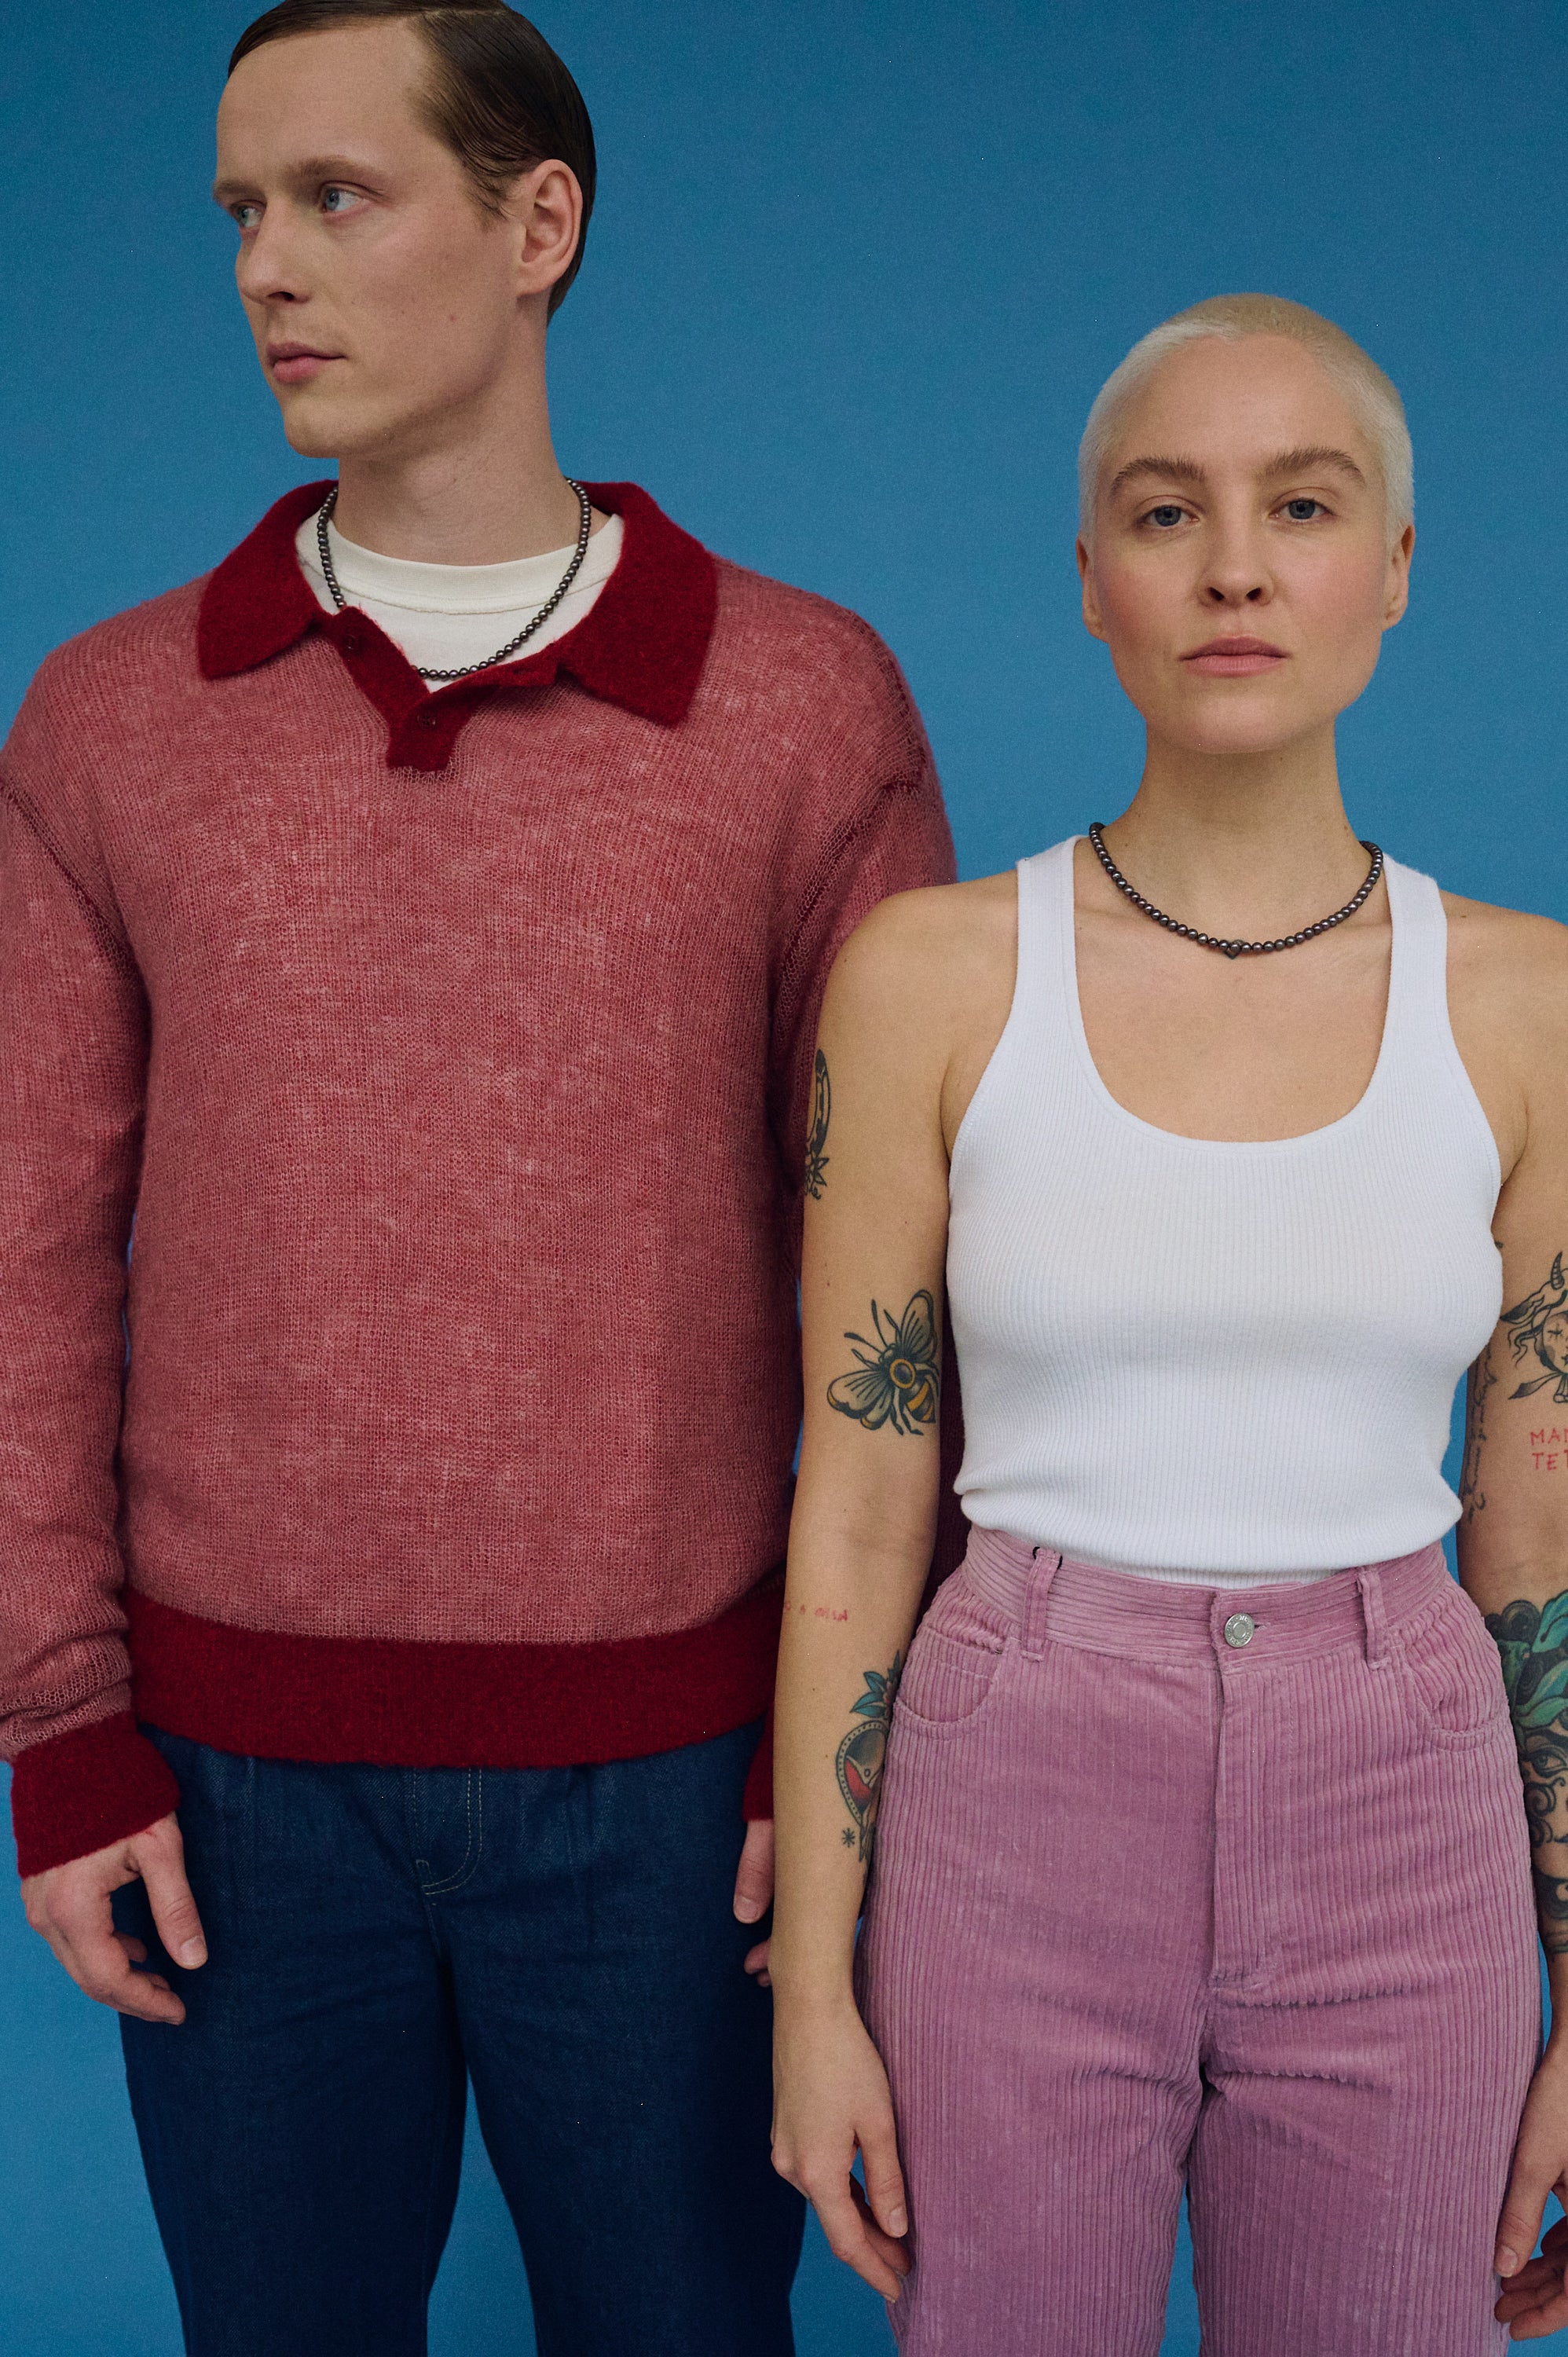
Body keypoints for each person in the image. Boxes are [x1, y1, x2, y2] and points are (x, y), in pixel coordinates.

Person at [0, 5, 959, 2352]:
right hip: (229, 1801)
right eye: (239, 210)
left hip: (676, 1800)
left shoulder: (799, 704)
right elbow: (22, 1251)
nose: (265, 271)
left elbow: (910, 1276)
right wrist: (55, 1721)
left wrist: (853, 1745)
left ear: (541, 225)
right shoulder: (115, 717)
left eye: (338, 198)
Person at [768, 291, 1568, 2353]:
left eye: (1299, 504)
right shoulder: (925, 979)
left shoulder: (1529, 1006)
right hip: (1014, 1785)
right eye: (1163, 509)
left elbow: (1543, 1531)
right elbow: (857, 1512)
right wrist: (815, 2004)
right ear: (1090, 579)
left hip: (1406, 1800)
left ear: (1389, 565)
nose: (1230, 563)